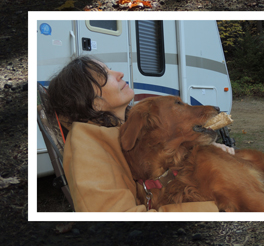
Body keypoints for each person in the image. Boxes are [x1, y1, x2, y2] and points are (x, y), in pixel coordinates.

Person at [46, 56, 220, 213]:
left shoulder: (120, 129)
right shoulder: (86, 147)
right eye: (105, 75)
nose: (120, 74)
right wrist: (218, 209)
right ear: (95, 103)